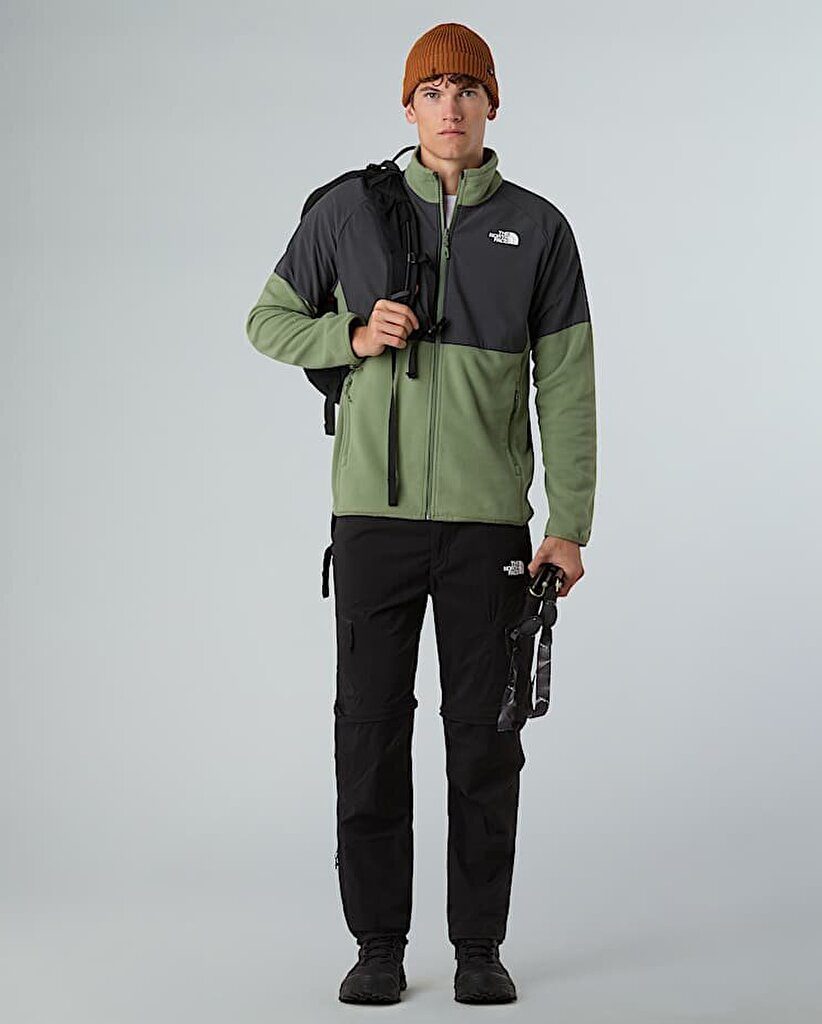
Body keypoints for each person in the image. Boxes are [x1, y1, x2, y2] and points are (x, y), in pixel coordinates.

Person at [245, 21, 596, 1005]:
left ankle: (479, 946)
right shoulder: (348, 212)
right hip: (373, 518)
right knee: (368, 731)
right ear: (408, 108)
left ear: (492, 105)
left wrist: (569, 523)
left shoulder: (539, 228)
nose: (451, 107)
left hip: (488, 526)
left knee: (485, 739)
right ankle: (378, 945)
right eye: (433, 91)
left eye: (467, 89)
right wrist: (352, 334)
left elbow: (567, 384)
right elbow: (266, 319)